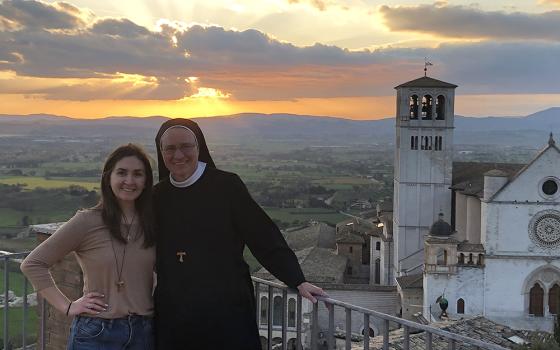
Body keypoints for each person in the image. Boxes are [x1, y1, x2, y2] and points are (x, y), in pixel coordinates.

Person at [153, 119, 325, 350]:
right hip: (175, 309)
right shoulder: (157, 196)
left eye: (186, 146)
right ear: (161, 152)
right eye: (170, 148)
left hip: (226, 306)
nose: (179, 154)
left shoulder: (226, 186)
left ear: (199, 148)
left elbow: (262, 235)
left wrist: (297, 279)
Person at [21, 144, 156, 350]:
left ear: (146, 181)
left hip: (144, 332)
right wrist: (67, 306)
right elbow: (33, 264)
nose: (130, 181)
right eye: (122, 173)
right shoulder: (87, 221)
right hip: (97, 332)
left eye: (138, 174)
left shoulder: (152, 223)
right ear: (108, 178)